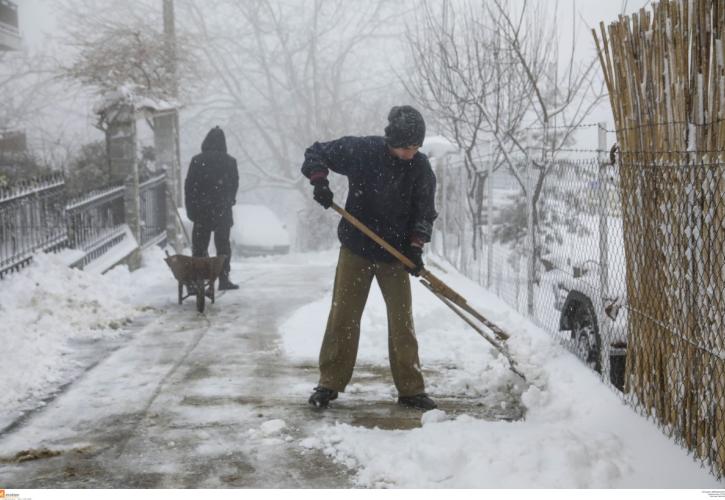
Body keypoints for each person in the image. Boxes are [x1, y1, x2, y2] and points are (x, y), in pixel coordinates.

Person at [301, 105, 438, 411]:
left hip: (395, 255)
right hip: (356, 248)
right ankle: (329, 383)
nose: (410, 153)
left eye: (416, 147)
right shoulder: (363, 151)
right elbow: (316, 152)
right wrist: (320, 181)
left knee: (402, 321)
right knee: (344, 316)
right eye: (405, 147)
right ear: (391, 141)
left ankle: (411, 389)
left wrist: (415, 248)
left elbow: (424, 211)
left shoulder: (420, 167)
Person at [184, 126, 240, 290]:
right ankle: (223, 278)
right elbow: (234, 185)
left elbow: (189, 186)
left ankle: (199, 278)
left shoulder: (197, 160)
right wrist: (229, 200)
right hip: (222, 210)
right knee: (223, 245)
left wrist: (191, 209)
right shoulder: (230, 161)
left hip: (202, 211)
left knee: (200, 246)